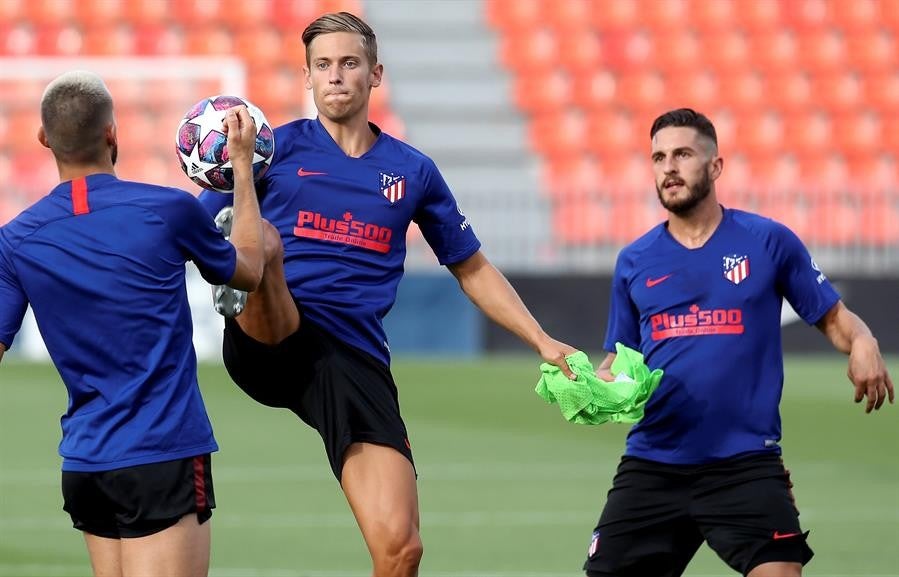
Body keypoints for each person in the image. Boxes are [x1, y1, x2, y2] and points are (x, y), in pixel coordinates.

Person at [198, 11, 577, 577]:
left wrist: (543, 341)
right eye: (322, 66)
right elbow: (193, 232)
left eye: (349, 64)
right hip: (270, 341)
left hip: (350, 358)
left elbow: (470, 267)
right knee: (268, 245)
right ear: (306, 78)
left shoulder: (412, 171)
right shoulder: (273, 150)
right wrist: (242, 173)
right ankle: (247, 290)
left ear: (375, 75)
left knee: (401, 550)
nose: (335, 76)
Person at [584, 108, 894, 577]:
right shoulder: (635, 260)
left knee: (781, 572)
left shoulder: (768, 241)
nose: (668, 167)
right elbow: (621, 359)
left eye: (683, 154)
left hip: (745, 463)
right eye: (658, 157)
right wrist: (599, 384)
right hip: (654, 462)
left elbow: (832, 317)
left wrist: (864, 341)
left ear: (715, 166)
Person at [0, 71, 267, 577]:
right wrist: (242, 170)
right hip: (160, 451)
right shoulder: (167, 209)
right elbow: (249, 269)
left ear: (43, 140)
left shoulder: (15, 239)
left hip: (85, 462)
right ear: (112, 134)